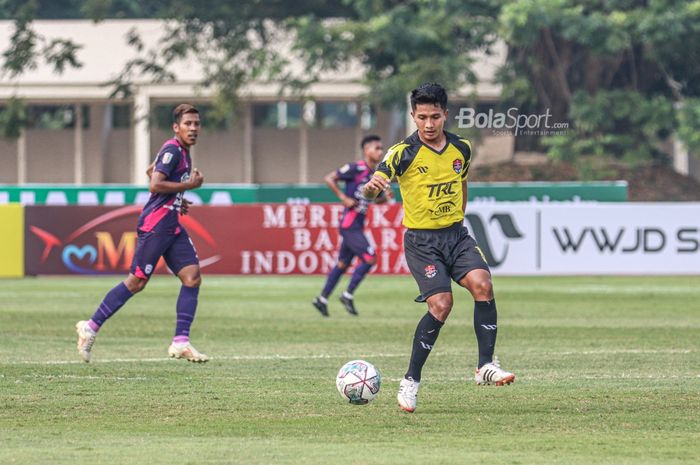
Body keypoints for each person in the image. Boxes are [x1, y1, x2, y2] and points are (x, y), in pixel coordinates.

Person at [362, 83, 515, 413]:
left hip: (456, 235)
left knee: (483, 285)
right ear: (413, 117)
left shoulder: (462, 148)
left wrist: (459, 218)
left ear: (445, 114)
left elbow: (462, 183)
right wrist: (371, 189)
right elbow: (372, 191)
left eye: (435, 117)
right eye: (422, 117)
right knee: (442, 304)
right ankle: (411, 380)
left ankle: (485, 366)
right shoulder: (402, 152)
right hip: (422, 242)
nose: (429, 124)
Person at [75, 103, 209, 363]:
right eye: (188, 124)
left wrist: (177, 197)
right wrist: (188, 185)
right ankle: (89, 327)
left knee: (192, 277)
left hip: (171, 225)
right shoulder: (173, 149)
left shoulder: (182, 151)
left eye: (196, 124)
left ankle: (181, 342)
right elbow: (155, 182)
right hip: (156, 225)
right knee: (137, 282)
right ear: (176, 127)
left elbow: (152, 170)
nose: (193, 128)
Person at [312, 134, 390, 317]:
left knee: (342, 264)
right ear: (366, 150)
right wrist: (343, 197)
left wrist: (385, 197)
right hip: (350, 224)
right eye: (377, 148)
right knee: (370, 258)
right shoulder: (357, 168)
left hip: (357, 224)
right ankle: (347, 295)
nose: (380, 152)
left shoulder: (374, 175)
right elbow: (329, 178)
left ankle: (322, 299)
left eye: (381, 148)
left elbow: (376, 200)